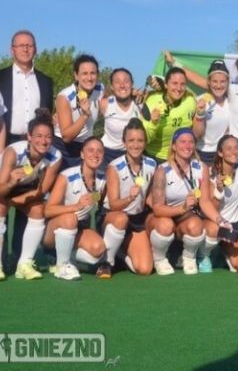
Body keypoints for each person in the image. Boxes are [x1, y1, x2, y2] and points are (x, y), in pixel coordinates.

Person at [165, 52, 238, 162]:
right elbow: (198, 80)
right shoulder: (230, 91)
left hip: (236, 150)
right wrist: (174, 63)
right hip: (209, 152)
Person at [146, 128, 223, 275]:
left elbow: (205, 202)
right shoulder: (162, 170)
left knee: (199, 225)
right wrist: (182, 208)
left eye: (191, 142)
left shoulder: (201, 167)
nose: (187, 146)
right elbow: (157, 208)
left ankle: (189, 257)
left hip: (186, 217)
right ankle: (159, 258)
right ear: (174, 146)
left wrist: (220, 220)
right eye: (182, 142)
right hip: (164, 216)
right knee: (166, 225)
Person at [0, 109, 61, 281]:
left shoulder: (55, 156)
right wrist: (11, 183)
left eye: (48, 137)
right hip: (4, 187)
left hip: (28, 191)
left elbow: (41, 191)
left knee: (38, 209)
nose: (43, 141)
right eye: (38, 136)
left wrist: (13, 201)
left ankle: (24, 265)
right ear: (29, 136)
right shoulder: (13, 152)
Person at [98, 118, 156, 278]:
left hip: (136, 220)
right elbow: (114, 204)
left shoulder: (151, 164)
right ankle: (107, 262)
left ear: (145, 143)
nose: (135, 145)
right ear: (124, 143)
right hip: (113, 217)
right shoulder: (114, 167)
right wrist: (130, 198)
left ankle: (119, 254)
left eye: (140, 141)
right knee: (121, 218)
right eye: (131, 140)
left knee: (144, 269)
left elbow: (149, 198)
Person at [43, 137, 107, 281]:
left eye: (99, 151)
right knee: (70, 218)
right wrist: (76, 206)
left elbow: (101, 204)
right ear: (82, 154)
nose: (95, 154)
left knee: (98, 248)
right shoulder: (66, 176)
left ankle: (69, 256)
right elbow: (48, 210)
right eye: (90, 150)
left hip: (80, 227)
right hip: (54, 229)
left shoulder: (103, 179)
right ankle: (62, 266)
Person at [206, 134, 238, 273]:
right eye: (229, 148)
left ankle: (223, 251)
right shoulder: (211, 173)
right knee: (213, 229)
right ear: (220, 153)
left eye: (236, 148)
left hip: (235, 224)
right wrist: (219, 191)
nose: (233, 152)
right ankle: (208, 252)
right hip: (217, 223)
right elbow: (211, 208)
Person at [0, 30, 53, 146]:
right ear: (12, 50)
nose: (25, 49)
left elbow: (47, 115)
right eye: (21, 46)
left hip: (36, 145)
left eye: (29, 45)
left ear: (35, 49)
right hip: (5, 143)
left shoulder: (46, 82)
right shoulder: (1, 78)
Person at [53, 54, 104, 169]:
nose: (89, 78)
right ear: (76, 75)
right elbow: (66, 137)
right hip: (63, 149)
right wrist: (84, 116)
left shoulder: (100, 88)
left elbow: (110, 99)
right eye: (84, 73)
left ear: (98, 75)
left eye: (92, 73)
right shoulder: (65, 97)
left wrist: (131, 94)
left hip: (85, 147)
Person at [99, 68, 143, 167]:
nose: (122, 85)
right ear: (112, 86)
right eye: (117, 82)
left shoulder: (141, 105)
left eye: (126, 81)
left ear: (132, 84)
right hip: (107, 154)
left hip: (132, 154)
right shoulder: (105, 103)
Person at [191, 60, 231, 166]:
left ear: (228, 82)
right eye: (215, 81)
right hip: (201, 154)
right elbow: (196, 135)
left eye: (222, 81)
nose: (218, 85)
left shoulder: (232, 102)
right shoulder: (201, 101)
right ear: (208, 82)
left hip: (223, 154)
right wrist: (200, 113)